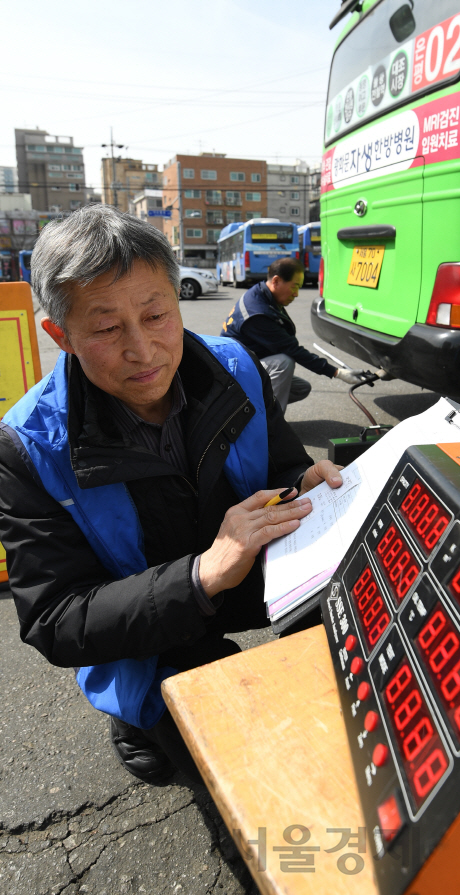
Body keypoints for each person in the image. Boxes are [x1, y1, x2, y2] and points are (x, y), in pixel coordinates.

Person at [0, 205, 345, 786]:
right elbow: (58, 618)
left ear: (177, 302)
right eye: (107, 328)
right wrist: (201, 575)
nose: (143, 348)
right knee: (235, 760)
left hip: (249, 576)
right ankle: (140, 720)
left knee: (358, 617)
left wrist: (303, 486)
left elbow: (282, 467)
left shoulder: (236, 366)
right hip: (148, 631)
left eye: (156, 314)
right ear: (61, 335)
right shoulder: (27, 448)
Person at [220, 257, 364, 410]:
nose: (296, 294)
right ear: (276, 281)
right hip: (234, 375)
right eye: (294, 287)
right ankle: (269, 427)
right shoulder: (258, 314)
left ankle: (252, 412)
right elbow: (292, 349)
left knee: (300, 388)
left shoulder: (261, 293)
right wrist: (337, 372)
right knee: (283, 362)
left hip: (246, 363)